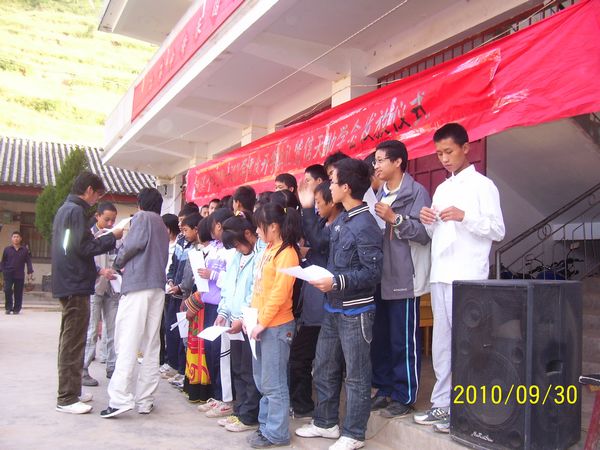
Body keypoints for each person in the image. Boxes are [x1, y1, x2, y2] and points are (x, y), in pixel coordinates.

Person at [415, 123, 505, 433]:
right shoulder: (442, 189)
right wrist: (428, 221)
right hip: (441, 273)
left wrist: (465, 216)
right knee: (442, 344)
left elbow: (498, 230)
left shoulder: (483, 186)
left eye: (449, 151)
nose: (444, 158)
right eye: (439, 153)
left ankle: (465, 408)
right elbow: (437, 234)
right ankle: (442, 404)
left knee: (467, 343)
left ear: (466, 148)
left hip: (467, 275)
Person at [296, 158, 383, 450]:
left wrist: (336, 282)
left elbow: (372, 273)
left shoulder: (365, 224)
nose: (329, 186)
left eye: (333, 182)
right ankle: (325, 423)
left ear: (346, 187)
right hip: (333, 308)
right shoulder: (342, 220)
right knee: (324, 367)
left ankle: (354, 433)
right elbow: (319, 242)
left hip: (356, 311)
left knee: (356, 375)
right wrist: (307, 208)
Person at [370, 140, 431, 418]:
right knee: (381, 338)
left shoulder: (416, 192)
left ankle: (404, 396)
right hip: (380, 278)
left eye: (381, 160)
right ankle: (384, 389)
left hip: (404, 278)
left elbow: (424, 234)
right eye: (375, 161)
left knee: (403, 340)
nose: (377, 166)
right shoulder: (378, 193)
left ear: (397, 162)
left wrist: (395, 218)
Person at [52, 171, 121, 415]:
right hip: (75, 283)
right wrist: (112, 237)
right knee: (73, 342)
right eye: (98, 195)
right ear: (89, 190)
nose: (96, 200)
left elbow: (72, 247)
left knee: (72, 339)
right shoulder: (75, 212)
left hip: (70, 281)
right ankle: (67, 398)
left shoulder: (66, 210)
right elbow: (81, 247)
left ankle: (73, 390)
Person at [101, 187, 169, 418]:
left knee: (127, 341)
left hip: (138, 285)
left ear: (140, 204)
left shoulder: (141, 218)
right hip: (157, 287)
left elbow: (131, 246)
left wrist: (117, 263)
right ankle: (145, 400)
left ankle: (119, 397)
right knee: (151, 344)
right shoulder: (161, 224)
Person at [246, 203, 301, 448]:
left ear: (274, 226)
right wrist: (252, 318)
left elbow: (280, 294)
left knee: (274, 382)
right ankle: (266, 426)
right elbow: (258, 288)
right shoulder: (269, 249)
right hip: (261, 323)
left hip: (276, 326)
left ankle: (276, 432)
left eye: (260, 227)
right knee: (263, 381)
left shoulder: (287, 253)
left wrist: (262, 322)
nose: (257, 232)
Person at [291, 181, 342, 418]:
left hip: (329, 308)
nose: (316, 208)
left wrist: (307, 209)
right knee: (302, 358)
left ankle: (325, 416)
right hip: (313, 308)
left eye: (319, 203)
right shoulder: (321, 223)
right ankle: (305, 407)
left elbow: (321, 244)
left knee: (325, 366)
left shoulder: (341, 225)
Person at [214, 213, 266, 432]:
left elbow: (255, 290)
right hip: (234, 322)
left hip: (250, 320)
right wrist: (223, 312)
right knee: (237, 367)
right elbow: (229, 286)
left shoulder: (261, 254)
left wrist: (241, 318)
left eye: (237, 244)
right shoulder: (237, 256)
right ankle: (239, 409)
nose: (236, 249)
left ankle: (249, 415)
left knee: (249, 369)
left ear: (248, 234)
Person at [82, 202, 121, 386]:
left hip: (112, 288)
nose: (110, 223)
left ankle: (112, 367)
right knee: (91, 330)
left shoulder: (116, 237)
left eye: (113, 220)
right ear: (97, 216)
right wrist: (100, 271)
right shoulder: (88, 235)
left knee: (113, 329)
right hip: (94, 287)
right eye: (107, 219)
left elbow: (120, 258)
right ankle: (83, 369)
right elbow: (84, 259)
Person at [1, 231, 34, 314]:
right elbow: (3, 261)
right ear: (12, 239)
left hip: (19, 274)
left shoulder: (25, 250)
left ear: (20, 238)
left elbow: (28, 261)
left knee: (18, 292)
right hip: (8, 273)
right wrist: (3, 271)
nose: (16, 238)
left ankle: (16, 309)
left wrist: (30, 272)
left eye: (17, 237)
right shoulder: (7, 249)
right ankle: (8, 308)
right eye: (14, 237)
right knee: (7, 290)